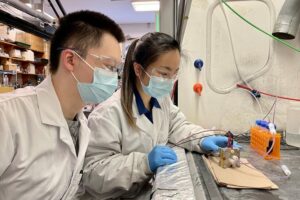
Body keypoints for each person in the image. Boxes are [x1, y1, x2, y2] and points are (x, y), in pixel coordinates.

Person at [82, 32, 239, 199]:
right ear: (138, 69)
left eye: (174, 74)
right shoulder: (108, 113)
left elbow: (178, 127)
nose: (170, 81)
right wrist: (144, 163)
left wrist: (203, 138)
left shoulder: (161, 100)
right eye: (164, 74)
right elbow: (93, 174)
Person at [0, 10, 124, 199]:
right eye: (108, 66)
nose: (113, 77)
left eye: (115, 69)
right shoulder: (8, 116)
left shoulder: (80, 123)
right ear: (70, 60)